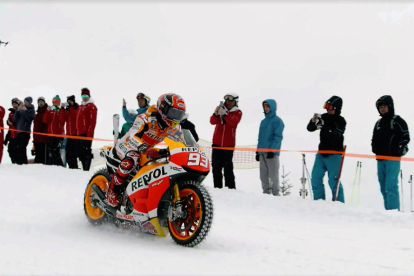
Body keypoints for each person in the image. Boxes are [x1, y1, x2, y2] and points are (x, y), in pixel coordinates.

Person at [106, 93, 186, 208]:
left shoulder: (175, 127)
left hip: (147, 149)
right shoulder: (145, 118)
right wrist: (144, 148)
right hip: (128, 144)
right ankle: (112, 191)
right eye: (174, 113)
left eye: (179, 114)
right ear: (163, 108)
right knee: (133, 158)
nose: (176, 117)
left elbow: (182, 142)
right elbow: (133, 135)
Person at [371, 95, 410, 211]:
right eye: (380, 107)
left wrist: (398, 147)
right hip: (380, 159)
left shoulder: (398, 121)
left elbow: (406, 137)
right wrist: (374, 148)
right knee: (383, 187)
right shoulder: (378, 123)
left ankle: (394, 212)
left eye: (384, 106)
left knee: (390, 186)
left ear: (390, 106)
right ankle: (388, 212)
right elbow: (373, 139)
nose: (382, 109)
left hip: (393, 159)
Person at [307, 96, 346, 203]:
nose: (327, 110)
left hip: (334, 154)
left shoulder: (341, 121)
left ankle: (339, 203)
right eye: (326, 107)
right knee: (315, 178)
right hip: (321, 154)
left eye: (329, 107)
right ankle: (319, 202)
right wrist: (313, 121)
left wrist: (324, 127)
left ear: (336, 108)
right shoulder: (323, 117)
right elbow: (310, 128)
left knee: (334, 181)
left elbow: (334, 136)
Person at [210, 93, 243, 189]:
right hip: (216, 143)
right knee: (216, 168)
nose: (228, 103)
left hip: (228, 145)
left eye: (231, 101)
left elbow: (234, 122)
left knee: (227, 168)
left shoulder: (237, 112)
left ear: (235, 102)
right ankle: (217, 188)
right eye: (227, 100)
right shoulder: (221, 109)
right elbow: (212, 121)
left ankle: (231, 189)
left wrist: (226, 115)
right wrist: (216, 114)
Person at [256, 99, 284, 196]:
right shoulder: (263, 122)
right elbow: (260, 137)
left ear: (272, 107)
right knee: (263, 175)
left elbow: (278, 137)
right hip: (262, 152)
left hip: (271, 153)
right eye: (264, 107)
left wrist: (273, 150)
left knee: (273, 174)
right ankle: (266, 193)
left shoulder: (277, 121)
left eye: (267, 106)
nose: (266, 108)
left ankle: (276, 193)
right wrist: (257, 151)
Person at [75, 88, 97, 171]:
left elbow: (92, 121)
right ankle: (84, 166)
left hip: (86, 132)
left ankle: (86, 168)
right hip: (79, 132)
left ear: (89, 96)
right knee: (80, 151)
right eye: (82, 95)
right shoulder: (81, 106)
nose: (84, 97)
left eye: (86, 95)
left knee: (86, 150)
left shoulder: (91, 106)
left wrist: (89, 133)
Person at [13, 97, 35, 165]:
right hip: (19, 131)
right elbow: (14, 119)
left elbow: (30, 118)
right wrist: (17, 111)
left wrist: (25, 111)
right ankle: (20, 162)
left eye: (27, 102)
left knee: (22, 146)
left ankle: (23, 162)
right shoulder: (21, 109)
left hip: (25, 131)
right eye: (25, 101)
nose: (25, 103)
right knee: (19, 147)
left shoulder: (31, 110)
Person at [43, 95, 64, 166]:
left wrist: (60, 111)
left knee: (56, 151)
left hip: (58, 135)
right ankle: (52, 165)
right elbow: (45, 120)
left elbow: (62, 120)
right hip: (50, 134)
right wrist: (47, 111)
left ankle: (59, 165)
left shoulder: (60, 111)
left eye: (56, 102)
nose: (54, 104)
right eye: (53, 102)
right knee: (50, 151)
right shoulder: (51, 111)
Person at [60, 95, 79, 169]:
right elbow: (62, 119)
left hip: (75, 135)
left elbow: (76, 116)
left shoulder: (76, 108)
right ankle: (71, 167)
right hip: (69, 135)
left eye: (70, 101)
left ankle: (74, 167)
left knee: (73, 153)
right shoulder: (67, 110)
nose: (69, 103)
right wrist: (62, 109)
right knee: (68, 154)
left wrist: (70, 108)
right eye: (68, 102)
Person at [32, 97, 49, 164]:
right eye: (39, 102)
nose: (40, 103)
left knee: (43, 157)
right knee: (38, 157)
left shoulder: (46, 112)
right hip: (36, 139)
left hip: (43, 139)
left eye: (42, 102)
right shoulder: (37, 114)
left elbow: (46, 123)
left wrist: (44, 136)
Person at [5, 98, 19, 163]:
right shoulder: (11, 113)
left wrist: (13, 123)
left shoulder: (19, 111)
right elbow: (9, 125)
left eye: (15, 104)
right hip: (11, 135)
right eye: (13, 104)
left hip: (17, 135)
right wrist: (6, 138)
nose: (14, 105)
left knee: (16, 150)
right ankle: (13, 163)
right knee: (10, 150)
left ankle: (17, 162)